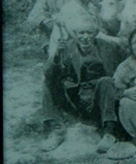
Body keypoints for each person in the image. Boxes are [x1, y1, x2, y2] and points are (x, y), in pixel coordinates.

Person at [40, 18, 125, 153]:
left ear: (96, 33)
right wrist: (56, 54)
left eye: (89, 33)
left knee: (106, 81)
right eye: (81, 33)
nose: (85, 37)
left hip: (99, 101)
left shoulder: (107, 48)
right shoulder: (67, 47)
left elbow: (123, 70)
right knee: (48, 83)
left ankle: (109, 132)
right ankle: (57, 130)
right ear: (75, 34)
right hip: (76, 98)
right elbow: (48, 73)